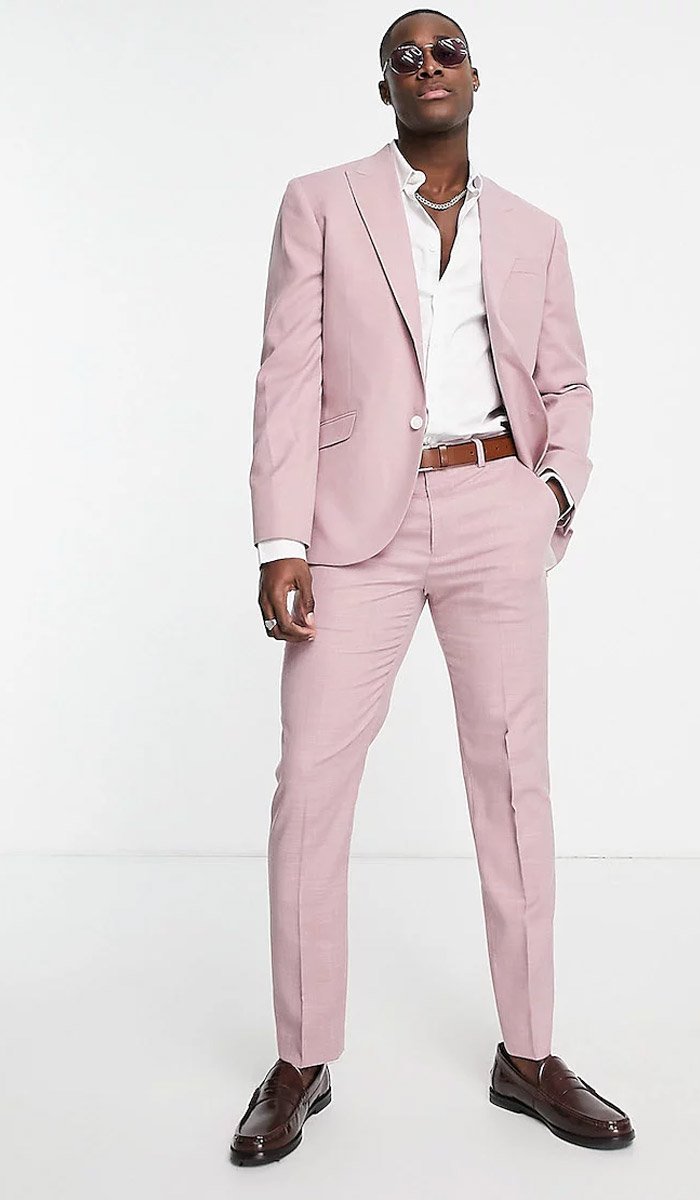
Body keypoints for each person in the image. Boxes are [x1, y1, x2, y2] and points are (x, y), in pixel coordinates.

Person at [230, 7, 635, 1165]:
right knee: (311, 780)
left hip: (493, 511)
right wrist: (279, 540)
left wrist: (550, 493)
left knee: (513, 781)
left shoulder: (534, 230)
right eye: (403, 59)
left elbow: (569, 382)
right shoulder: (321, 203)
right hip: (351, 528)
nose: (428, 68)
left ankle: (530, 1052)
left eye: (446, 50)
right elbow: (286, 377)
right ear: (385, 90)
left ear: (475, 74)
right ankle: (301, 1059)